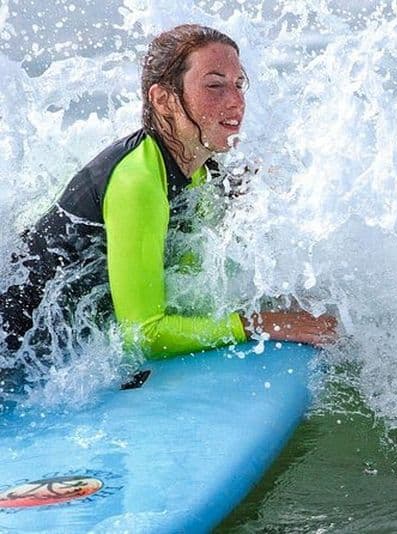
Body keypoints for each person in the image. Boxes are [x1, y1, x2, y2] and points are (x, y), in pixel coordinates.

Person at [0, 24, 336, 361]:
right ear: (164, 100)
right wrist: (256, 323)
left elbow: (188, 271)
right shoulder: (138, 182)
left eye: (239, 85)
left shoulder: (201, 168)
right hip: (12, 347)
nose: (236, 102)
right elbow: (142, 335)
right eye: (215, 86)